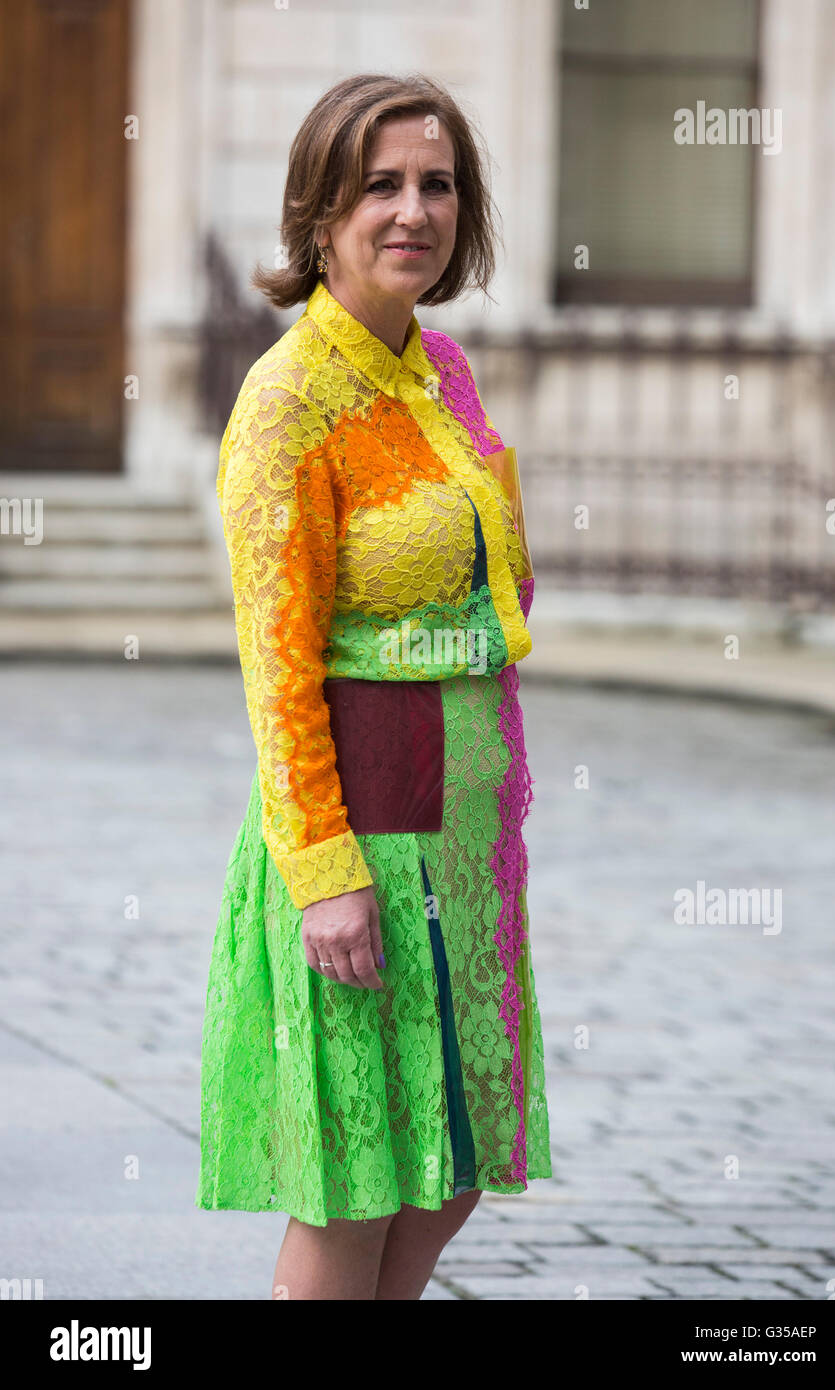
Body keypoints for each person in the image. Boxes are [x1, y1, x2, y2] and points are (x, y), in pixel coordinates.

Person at [196, 71, 552, 1300]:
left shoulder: (440, 372)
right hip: (359, 841)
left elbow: (491, 585)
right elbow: (275, 663)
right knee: (354, 1183)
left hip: (460, 841)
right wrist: (324, 876)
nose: (413, 210)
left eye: (437, 185)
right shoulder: (287, 402)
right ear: (318, 213)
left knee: (443, 1169)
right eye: (380, 185)